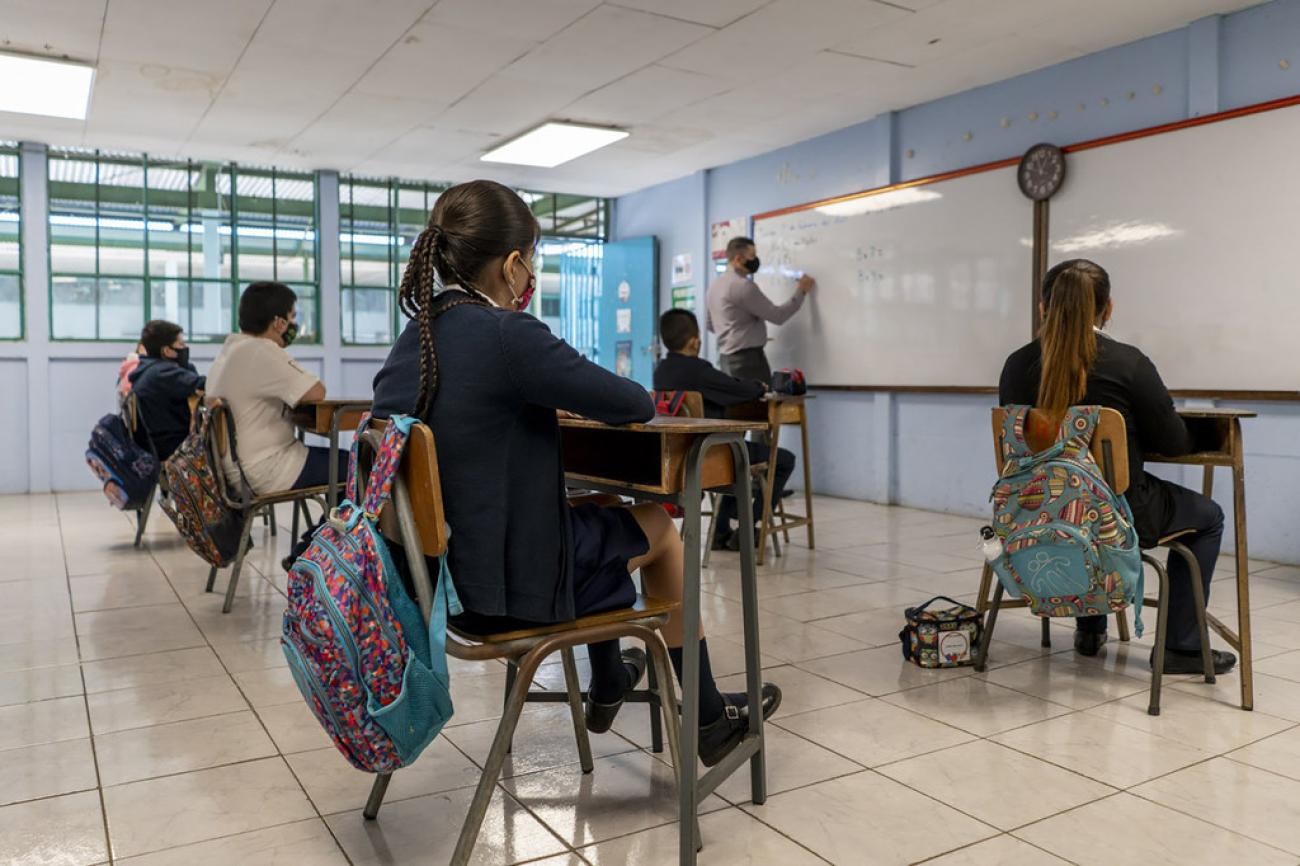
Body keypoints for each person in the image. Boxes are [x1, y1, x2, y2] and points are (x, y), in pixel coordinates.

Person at [370, 180, 781, 766]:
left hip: (437, 588)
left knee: (607, 513)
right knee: (661, 531)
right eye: (531, 262)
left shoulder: (416, 338)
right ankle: (709, 717)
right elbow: (633, 403)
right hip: (506, 594)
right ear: (514, 264)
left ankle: (610, 679)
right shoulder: (509, 335)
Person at [999, 259, 1235, 674]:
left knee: (1079, 496)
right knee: (1209, 516)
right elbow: (1174, 443)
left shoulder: (1016, 364)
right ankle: (1181, 647)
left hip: (1036, 514)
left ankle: (1090, 630)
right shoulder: (1128, 363)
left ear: (1042, 308)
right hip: (1121, 520)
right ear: (1107, 309)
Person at [654, 308, 796, 551]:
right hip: (710, 455)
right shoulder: (699, 371)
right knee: (782, 459)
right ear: (695, 340)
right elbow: (737, 388)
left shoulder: (661, 371)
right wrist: (759, 387)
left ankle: (721, 532)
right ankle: (747, 530)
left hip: (679, 456)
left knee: (736, 455)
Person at [205, 281, 335, 495]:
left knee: (342, 463)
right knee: (359, 466)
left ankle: (327, 528)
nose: (294, 324)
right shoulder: (260, 350)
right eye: (293, 317)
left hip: (235, 467)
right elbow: (317, 391)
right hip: (267, 468)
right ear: (279, 323)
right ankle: (322, 530)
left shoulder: (231, 349)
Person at [704, 235, 814, 383]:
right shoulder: (743, 286)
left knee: (735, 405)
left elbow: (710, 324)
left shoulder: (714, 286)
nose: (755, 260)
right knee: (757, 405)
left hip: (725, 360)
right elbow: (778, 316)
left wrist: (740, 333)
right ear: (738, 259)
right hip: (748, 362)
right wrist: (801, 291)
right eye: (752, 256)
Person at [127, 320, 204, 460]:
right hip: (173, 449)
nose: (185, 347)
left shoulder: (146, 369)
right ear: (167, 351)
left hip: (157, 446)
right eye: (181, 344)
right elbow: (201, 384)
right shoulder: (163, 373)